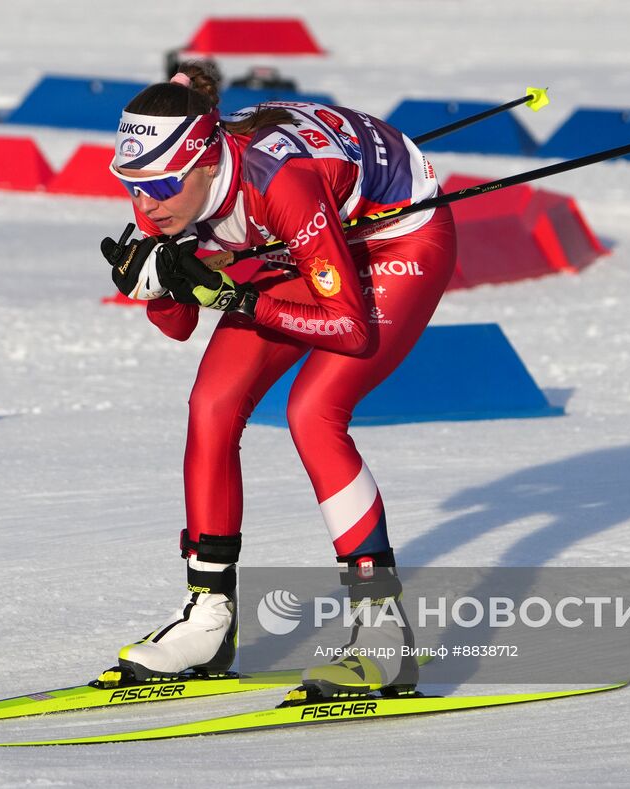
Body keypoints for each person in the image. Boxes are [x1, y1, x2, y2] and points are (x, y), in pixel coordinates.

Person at [100, 61, 457, 697]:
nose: (146, 203)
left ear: (207, 161)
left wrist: (234, 298)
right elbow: (178, 323)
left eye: (158, 185)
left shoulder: (281, 183)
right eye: (133, 186)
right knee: (212, 403)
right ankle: (208, 619)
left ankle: (381, 630)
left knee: (313, 410)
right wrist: (156, 282)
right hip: (304, 243)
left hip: (399, 236)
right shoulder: (166, 192)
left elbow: (350, 329)